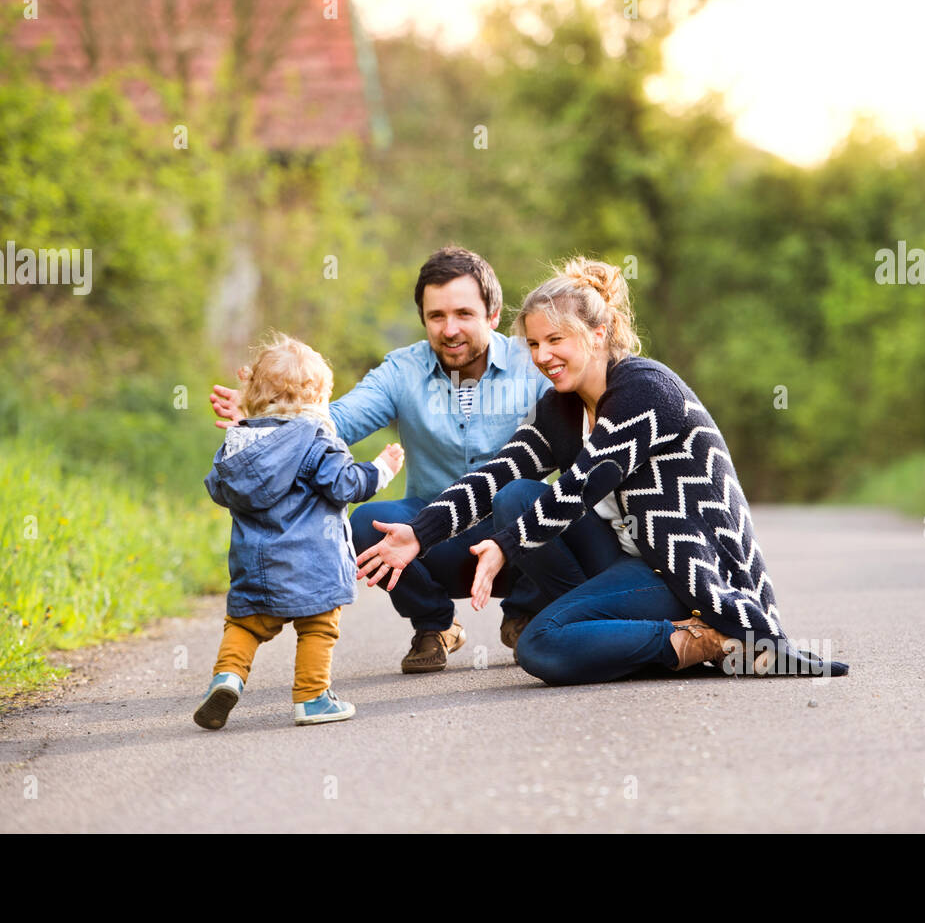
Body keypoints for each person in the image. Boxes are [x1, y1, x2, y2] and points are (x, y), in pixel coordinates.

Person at [356, 258, 849, 684]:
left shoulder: (645, 389)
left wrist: (505, 544)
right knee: (516, 495)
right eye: (532, 344)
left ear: (598, 332)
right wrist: (419, 535)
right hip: (622, 560)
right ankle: (601, 629)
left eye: (556, 339)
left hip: (679, 571)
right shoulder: (561, 409)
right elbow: (496, 476)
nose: (543, 356)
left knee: (542, 646)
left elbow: (583, 484)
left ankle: (710, 639)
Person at [210, 246, 552, 674]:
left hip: (517, 539)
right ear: (424, 319)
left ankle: (526, 615)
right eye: (436, 316)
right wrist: (273, 416)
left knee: (537, 499)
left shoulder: (534, 363)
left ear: (493, 313)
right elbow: (335, 422)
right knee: (362, 523)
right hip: (433, 532)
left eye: (464, 314)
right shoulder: (402, 370)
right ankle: (436, 624)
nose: (450, 329)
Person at [195, 333, 404, 728]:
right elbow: (345, 485)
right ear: (318, 398)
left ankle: (227, 677)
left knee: (244, 625)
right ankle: (312, 698)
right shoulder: (317, 439)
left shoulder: (239, 440)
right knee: (319, 626)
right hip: (312, 563)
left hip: (254, 564)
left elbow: (218, 489)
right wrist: (381, 470)